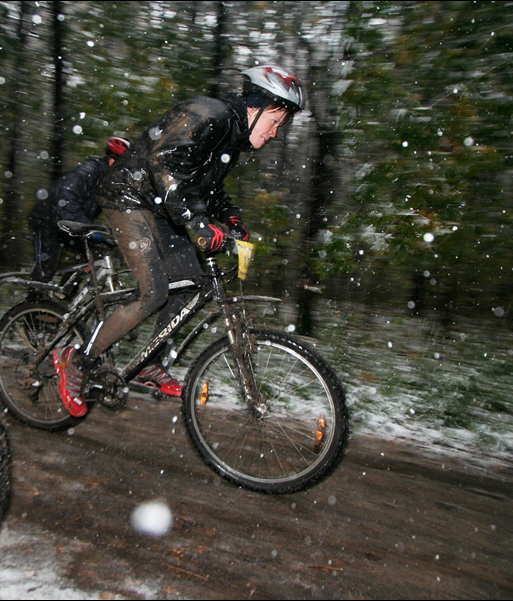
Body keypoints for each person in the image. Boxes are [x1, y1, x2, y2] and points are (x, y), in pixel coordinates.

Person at [52, 64, 305, 416]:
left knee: (189, 285)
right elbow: (164, 162)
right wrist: (195, 221)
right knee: (152, 292)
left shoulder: (229, 138)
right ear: (255, 106)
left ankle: (149, 363)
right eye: (274, 122)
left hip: (163, 207)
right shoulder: (209, 114)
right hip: (129, 197)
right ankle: (76, 361)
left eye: (280, 126)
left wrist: (230, 217)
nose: (275, 133)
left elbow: (208, 188)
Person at [27, 137, 130, 283]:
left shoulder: (109, 183)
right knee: (46, 268)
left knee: (90, 255)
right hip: (48, 220)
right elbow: (66, 196)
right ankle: (32, 303)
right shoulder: (90, 170)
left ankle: (64, 294)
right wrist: (83, 225)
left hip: (70, 224)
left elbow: (118, 211)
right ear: (112, 160)